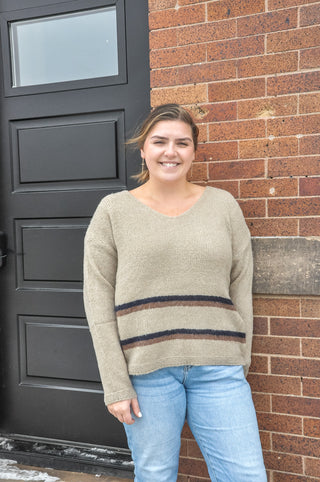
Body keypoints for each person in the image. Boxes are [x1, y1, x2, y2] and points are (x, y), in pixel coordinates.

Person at [83, 103, 267, 481]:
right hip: (147, 374)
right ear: (144, 150)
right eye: (160, 141)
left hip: (218, 369)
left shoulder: (223, 206)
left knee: (246, 475)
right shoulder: (113, 211)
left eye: (182, 143)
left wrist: (240, 356)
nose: (171, 151)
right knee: (155, 475)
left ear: (194, 152)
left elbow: (240, 285)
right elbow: (98, 301)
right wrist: (115, 383)